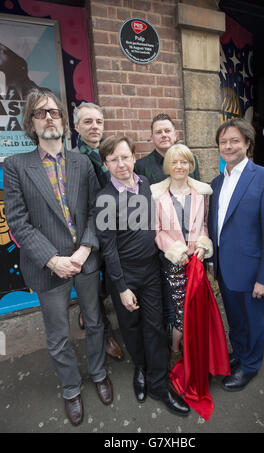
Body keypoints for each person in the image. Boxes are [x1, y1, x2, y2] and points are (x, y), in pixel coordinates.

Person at [3, 88, 113, 426]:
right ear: (31, 124)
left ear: (64, 121)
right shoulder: (15, 166)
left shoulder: (81, 162)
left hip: (84, 260)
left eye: (54, 112)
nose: (49, 117)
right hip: (48, 267)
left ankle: (97, 372)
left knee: (94, 322)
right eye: (40, 113)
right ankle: (69, 388)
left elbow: (98, 209)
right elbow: (18, 222)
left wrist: (84, 249)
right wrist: (53, 259)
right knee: (58, 334)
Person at [95, 134, 190, 416]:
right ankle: (141, 368)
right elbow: (108, 248)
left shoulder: (147, 185)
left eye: (125, 157)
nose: (121, 163)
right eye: (114, 159)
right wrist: (122, 287)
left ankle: (159, 384)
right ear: (105, 164)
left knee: (154, 325)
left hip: (151, 270)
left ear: (134, 157)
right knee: (131, 327)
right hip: (123, 275)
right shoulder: (104, 198)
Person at [208, 118, 264, 391]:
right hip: (226, 271)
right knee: (236, 321)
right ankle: (240, 354)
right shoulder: (217, 183)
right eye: (223, 142)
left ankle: (250, 365)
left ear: (247, 144)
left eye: (234, 141)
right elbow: (216, 226)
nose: (228, 146)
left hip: (254, 273)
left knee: (254, 323)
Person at [134, 113, 200, 336]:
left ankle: (186, 339)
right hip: (154, 242)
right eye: (158, 132)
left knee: (186, 295)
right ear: (151, 137)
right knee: (163, 294)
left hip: (186, 244)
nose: (163, 135)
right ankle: (168, 337)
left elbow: (197, 199)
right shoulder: (141, 166)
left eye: (167, 130)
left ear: (175, 134)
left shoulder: (190, 160)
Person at [150, 143, 213, 366]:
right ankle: (176, 350)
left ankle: (192, 346)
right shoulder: (157, 194)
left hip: (197, 260)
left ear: (190, 165)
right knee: (180, 309)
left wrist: (203, 246)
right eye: (175, 162)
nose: (179, 166)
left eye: (184, 161)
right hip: (174, 263)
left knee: (196, 306)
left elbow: (203, 225)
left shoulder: (201, 193)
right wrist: (177, 253)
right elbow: (157, 232)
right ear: (168, 165)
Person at [73, 101, 124, 361]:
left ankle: (88, 309)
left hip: (113, 231)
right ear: (76, 126)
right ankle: (105, 336)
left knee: (108, 281)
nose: (95, 126)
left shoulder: (108, 152)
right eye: (88, 121)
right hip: (89, 234)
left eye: (99, 122)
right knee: (92, 288)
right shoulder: (73, 159)